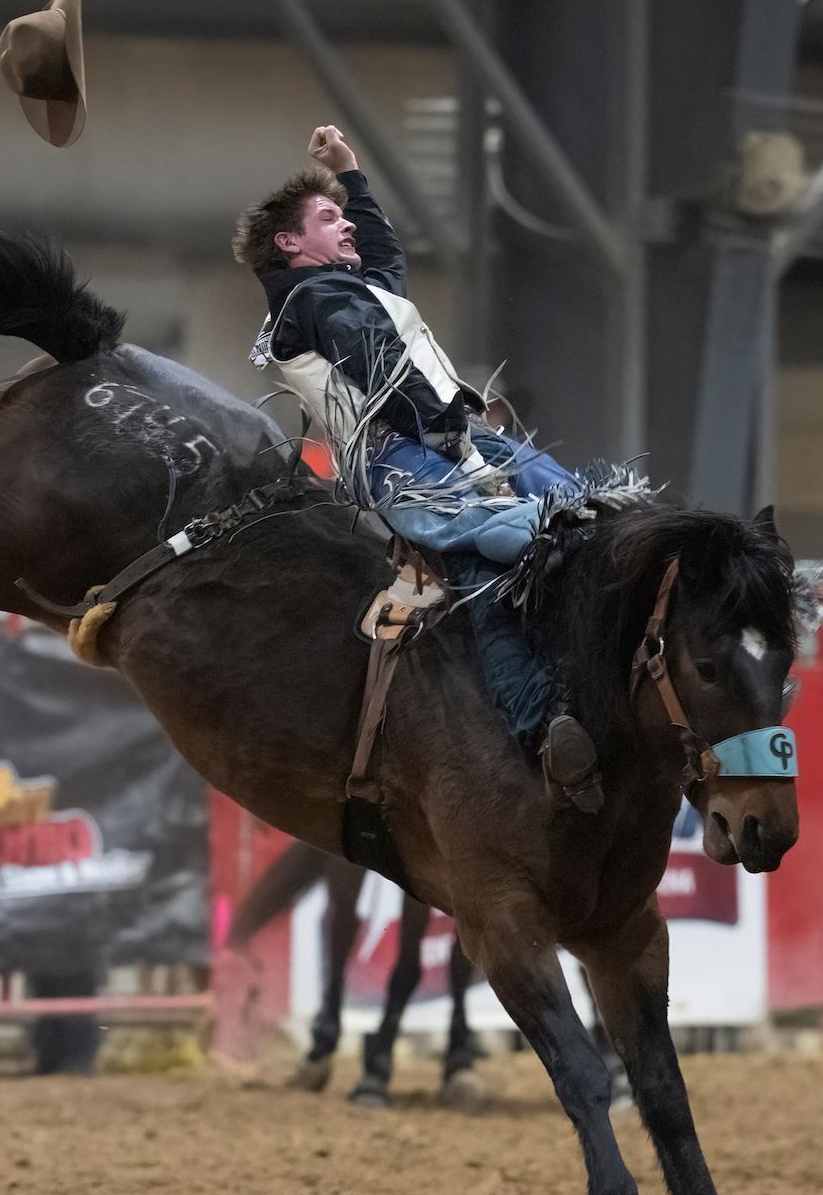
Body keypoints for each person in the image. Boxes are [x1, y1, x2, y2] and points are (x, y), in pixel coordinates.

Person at [234, 125, 599, 808]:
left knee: (579, 514)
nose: (345, 224)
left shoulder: (349, 289)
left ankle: (570, 696)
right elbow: (376, 357)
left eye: (341, 215)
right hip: (403, 452)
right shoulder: (313, 301)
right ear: (290, 244)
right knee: (505, 548)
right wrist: (444, 428)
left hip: (446, 433)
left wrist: (352, 178)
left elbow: (383, 258)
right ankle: (540, 719)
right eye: (327, 218)